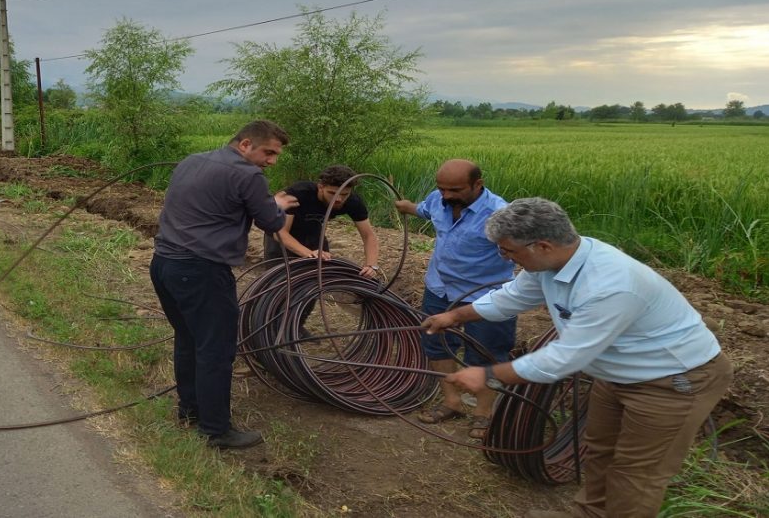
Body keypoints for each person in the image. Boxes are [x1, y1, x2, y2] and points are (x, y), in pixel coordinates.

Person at [423, 198, 733, 518]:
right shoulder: (551, 263)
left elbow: (562, 359)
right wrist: (456, 315)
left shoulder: (610, 284)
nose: (504, 257)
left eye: (508, 251)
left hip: (672, 381)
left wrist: (487, 375)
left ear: (542, 245)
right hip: (617, 376)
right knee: (598, 453)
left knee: (636, 475)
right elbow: (511, 298)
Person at [150, 120, 299, 449]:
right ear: (245, 144)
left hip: (163, 265)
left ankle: (190, 412)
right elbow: (272, 223)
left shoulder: (191, 160)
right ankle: (216, 430)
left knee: (189, 340)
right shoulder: (248, 175)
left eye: (276, 154)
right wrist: (277, 204)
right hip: (202, 271)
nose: (272, 160)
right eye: (268, 152)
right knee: (216, 351)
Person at [394, 159, 515, 439]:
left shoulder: (500, 214)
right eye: (441, 189)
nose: (446, 196)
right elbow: (425, 210)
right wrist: (407, 207)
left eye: (455, 190)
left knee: (487, 353)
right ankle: (452, 402)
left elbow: (523, 249)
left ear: (478, 185)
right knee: (436, 345)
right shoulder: (438, 200)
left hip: (485, 296)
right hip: (439, 288)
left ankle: (483, 413)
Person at [263, 164, 381, 279]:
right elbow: (281, 233)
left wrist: (371, 265)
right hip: (280, 234)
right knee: (278, 279)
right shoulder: (299, 193)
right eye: (332, 193)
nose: (339, 199)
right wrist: (309, 254)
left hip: (313, 232)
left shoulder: (353, 201)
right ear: (320, 187)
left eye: (344, 194)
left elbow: (368, 235)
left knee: (317, 277)